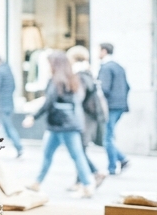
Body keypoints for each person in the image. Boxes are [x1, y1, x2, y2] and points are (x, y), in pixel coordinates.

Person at [24, 51, 104, 198]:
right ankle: (37, 183)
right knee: (68, 155)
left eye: (49, 63)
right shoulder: (72, 79)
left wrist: (33, 116)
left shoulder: (56, 80)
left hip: (61, 124)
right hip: (68, 124)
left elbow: (48, 102)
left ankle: (88, 184)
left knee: (72, 155)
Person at [66, 45, 107, 184]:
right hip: (89, 117)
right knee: (79, 150)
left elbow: (79, 97)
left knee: (79, 150)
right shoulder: (88, 72)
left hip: (85, 118)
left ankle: (90, 177)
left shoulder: (80, 75)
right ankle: (85, 179)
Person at [97, 42, 131, 175]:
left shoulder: (106, 68)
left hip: (110, 106)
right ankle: (122, 159)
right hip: (120, 106)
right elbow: (128, 86)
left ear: (104, 51)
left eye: (98, 50)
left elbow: (104, 89)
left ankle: (112, 167)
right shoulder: (119, 67)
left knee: (107, 137)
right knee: (109, 135)